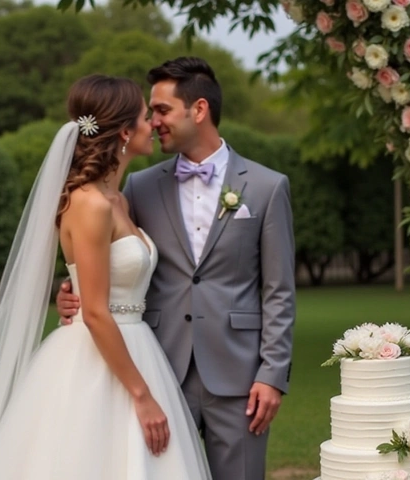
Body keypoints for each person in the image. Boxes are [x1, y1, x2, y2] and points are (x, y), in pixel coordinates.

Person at [0, 74, 211, 480]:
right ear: (123, 131)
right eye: (145, 117)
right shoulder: (89, 204)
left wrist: (73, 288)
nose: (154, 124)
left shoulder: (119, 200)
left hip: (136, 347)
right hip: (96, 358)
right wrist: (143, 396)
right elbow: (95, 312)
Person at [57, 57, 296, 480]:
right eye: (149, 113)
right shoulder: (138, 187)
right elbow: (111, 263)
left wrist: (273, 375)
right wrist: (73, 291)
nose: (154, 121)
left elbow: (278, 289)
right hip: (159, 367)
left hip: (239, 378)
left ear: (198, 110)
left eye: (162, 110)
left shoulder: (266, 186)